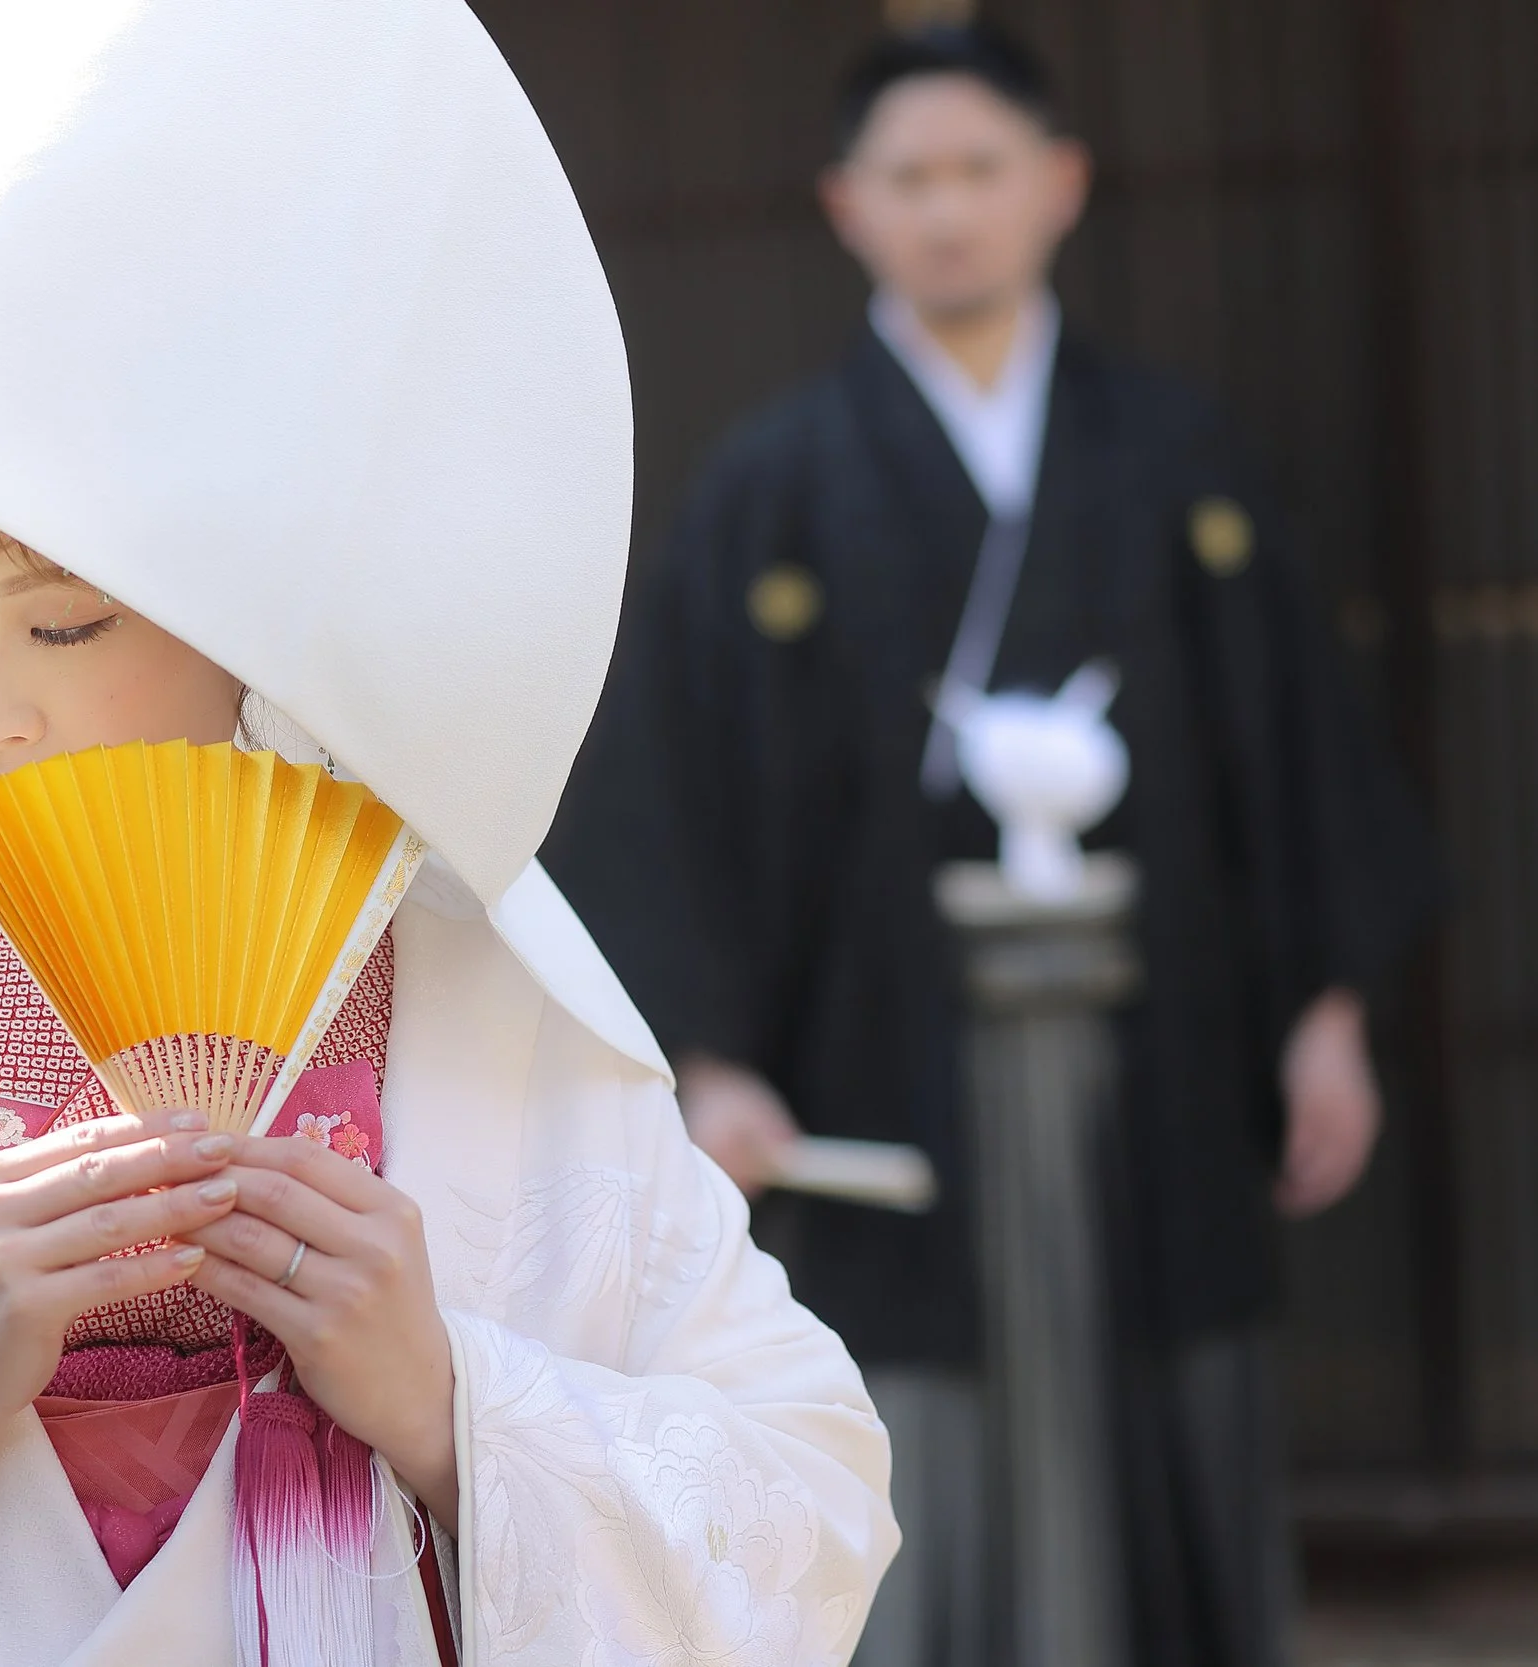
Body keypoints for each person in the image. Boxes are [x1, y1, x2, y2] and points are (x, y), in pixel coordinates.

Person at [0, 3, 898, 1663]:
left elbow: (811, 1495)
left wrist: (448, 1403)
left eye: (61, 628)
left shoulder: (493, 1000)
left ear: (249, 611)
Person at [544, 21, 1434, 1667]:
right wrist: (714, 1060)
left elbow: (1286, 744)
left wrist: (1326, 1011)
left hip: (1157, 1049)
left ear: (1060, 186)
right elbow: (674, 796)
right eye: (910, 179)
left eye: (980, 170)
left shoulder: (1176, 460)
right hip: (887, 1061)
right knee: (910, 1438)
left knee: (1174, 1408)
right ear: (846, 207)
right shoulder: (773, 492)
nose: (948, 209)